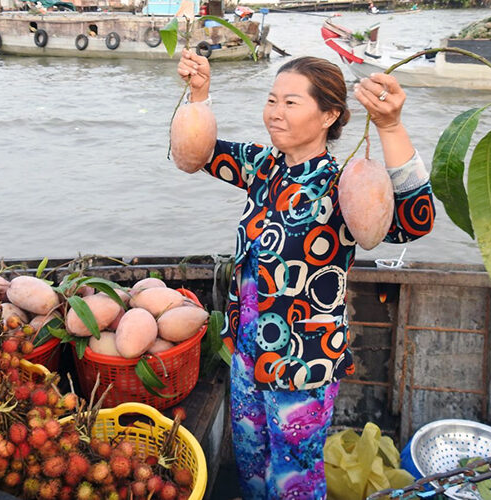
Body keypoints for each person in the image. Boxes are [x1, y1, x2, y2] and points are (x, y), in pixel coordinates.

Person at [175, 50, 434, 499]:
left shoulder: (344, 183)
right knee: (251, 463)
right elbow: (197, 152)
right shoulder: (264, 167)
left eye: (291, 103)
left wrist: (390, 127)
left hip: (302, 364)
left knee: (294, 477)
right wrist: (199, 93)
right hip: (246, 353)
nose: (275, 112)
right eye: (272, 100)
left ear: (329, 114)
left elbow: (415, 220)